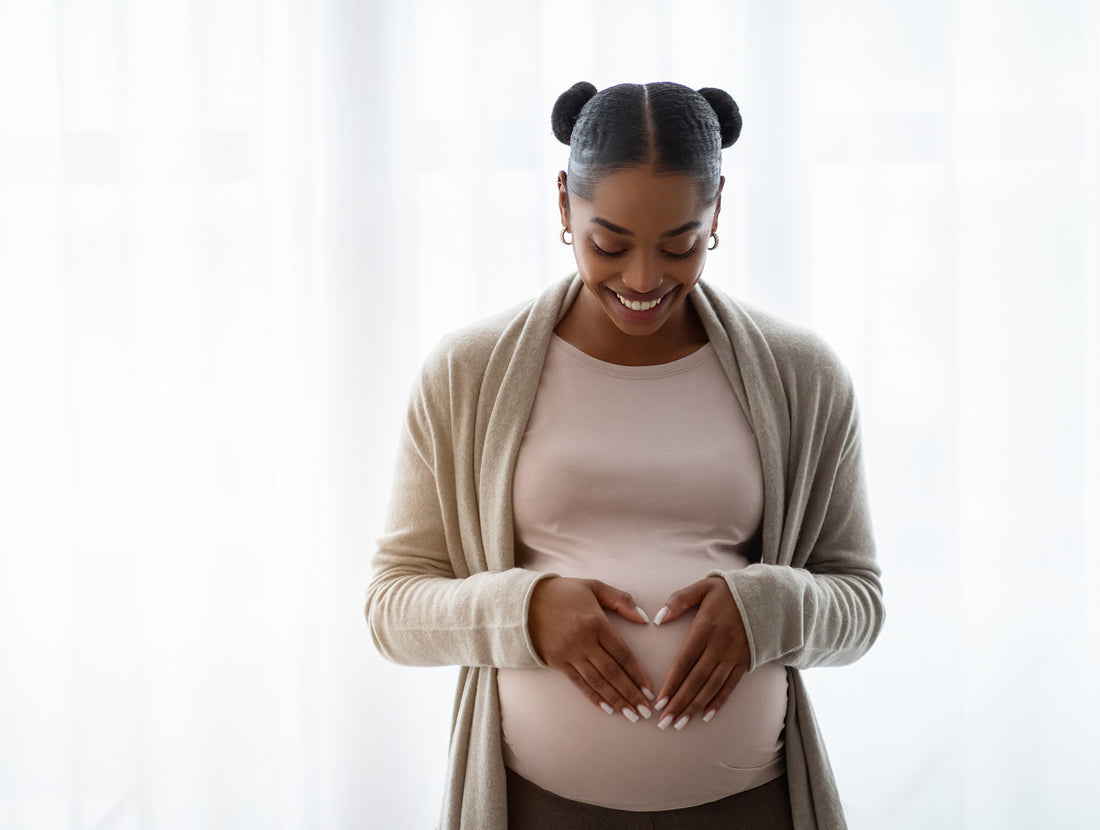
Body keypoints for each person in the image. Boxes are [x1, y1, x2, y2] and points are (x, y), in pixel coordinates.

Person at [365, 80, 885, 830]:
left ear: (717, 211)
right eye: (608, 244)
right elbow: (392, 609)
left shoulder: (802, 375)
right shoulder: (469, 373)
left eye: (679, 244)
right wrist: (527, 612)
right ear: (563, 206)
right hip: (539, 808)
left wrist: (769, 610)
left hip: (750, 808)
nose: (644, 281)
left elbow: (859, 604)